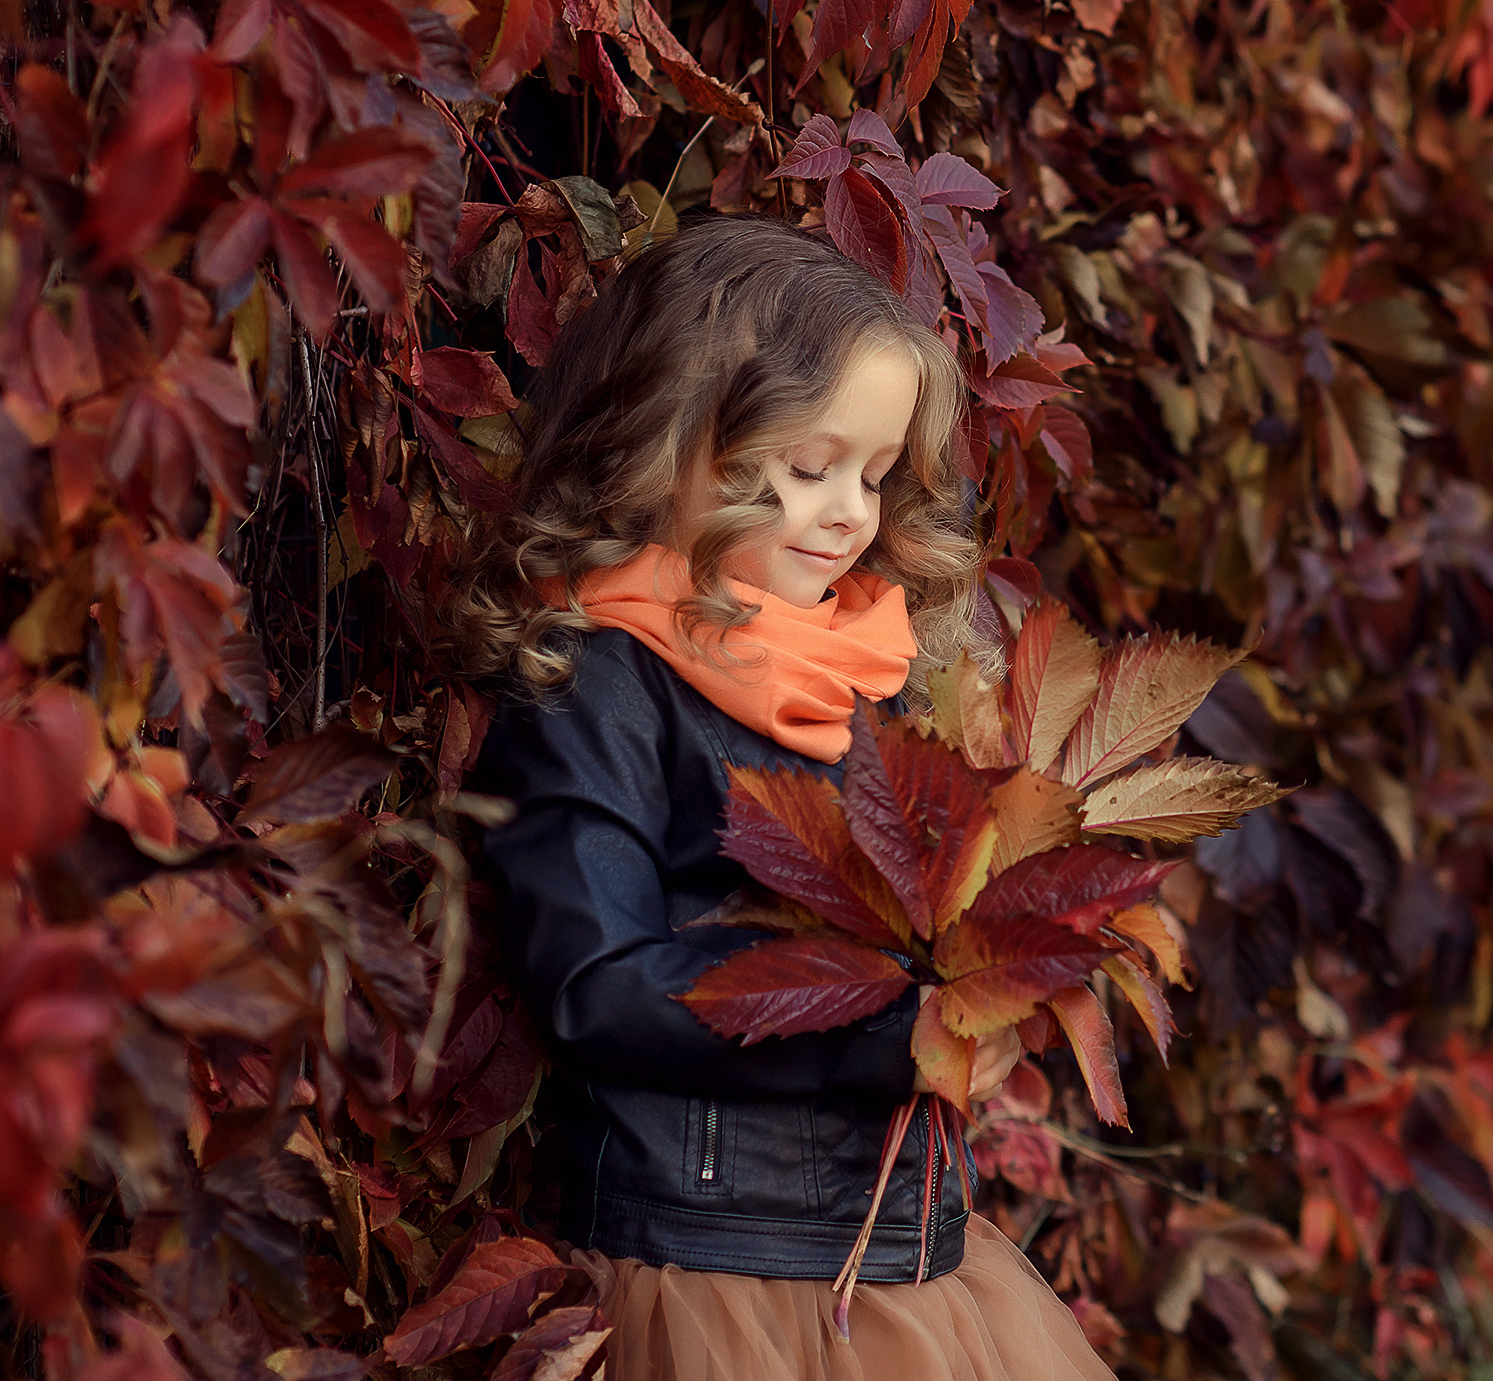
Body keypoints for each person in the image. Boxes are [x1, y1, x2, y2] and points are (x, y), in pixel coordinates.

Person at [449, 214, 1117, 1381]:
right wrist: (865, 1036)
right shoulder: (602, 679)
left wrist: (992, 982)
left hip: (904, 1267)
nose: (851, 512)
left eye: (871, 473)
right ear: (666, 439)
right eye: (809, 469)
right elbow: (594, 986)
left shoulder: (871, 666)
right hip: (721, 1270)